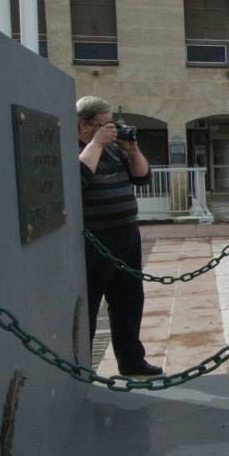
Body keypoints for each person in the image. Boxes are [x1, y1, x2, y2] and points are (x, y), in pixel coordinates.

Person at [77, 96, 161, 376]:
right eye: (103, 125)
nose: (111, 129)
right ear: (84, 125)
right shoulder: (75, 148)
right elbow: (79, 178)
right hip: (94, 241)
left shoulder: (114, 150)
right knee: (90, 305)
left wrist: (132, 148)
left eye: (111, 124)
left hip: (126, 236)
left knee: (129, 301)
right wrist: (96, 143)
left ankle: (131, 360)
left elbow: (142, 177)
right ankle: (82, 366)